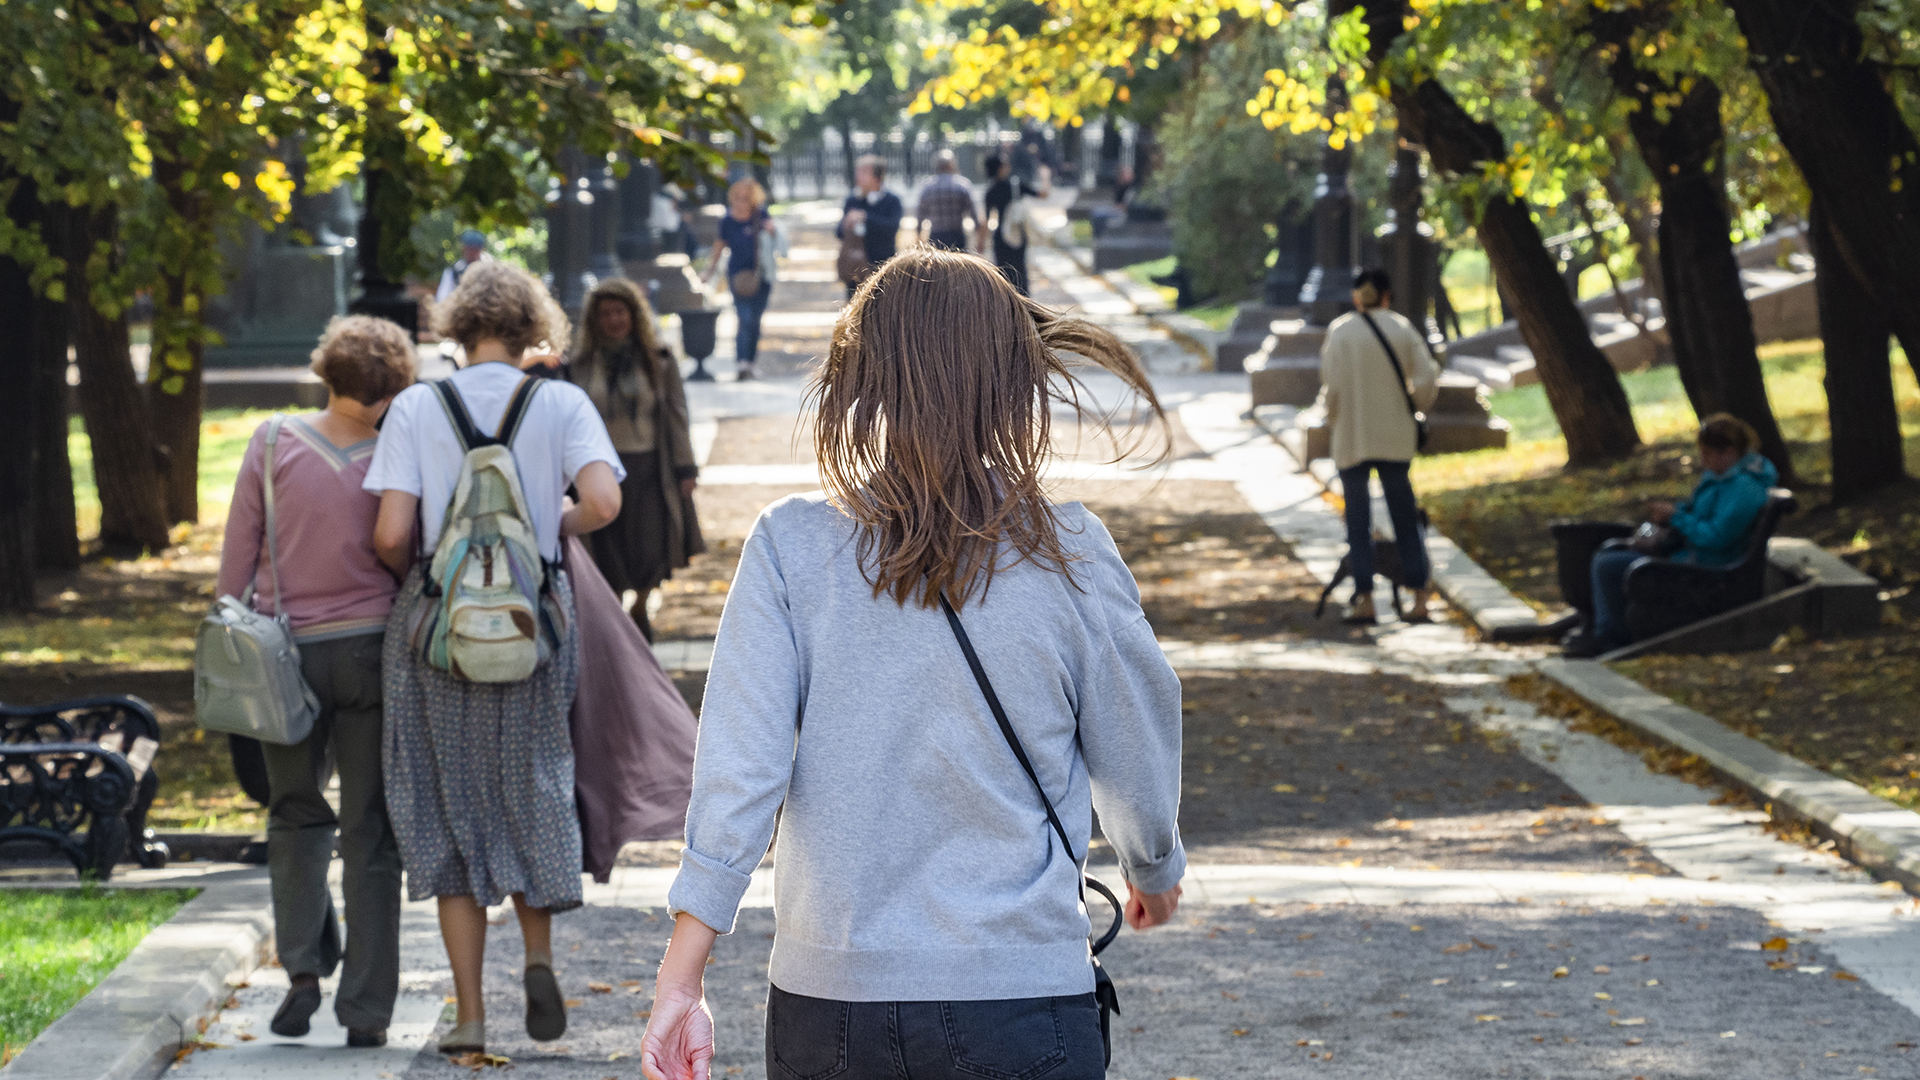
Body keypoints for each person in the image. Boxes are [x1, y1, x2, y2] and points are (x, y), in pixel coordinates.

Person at [639, 251, 1187, 1078]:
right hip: (1021, 993)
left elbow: (738, 772)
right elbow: (1136, 736)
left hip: (832, 997)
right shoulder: (1071, 550)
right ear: (1011, 379)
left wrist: (685, 972)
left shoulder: (792, 546)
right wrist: (1152, 864)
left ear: (861, 380)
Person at [364, 261, 625, 1056]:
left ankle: (471, 1014)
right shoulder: (561, 402)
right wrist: (545, 527)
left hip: (436, 627)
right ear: (530, 325)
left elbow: (387, 533)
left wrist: (421, 577)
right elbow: (606, 503)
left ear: (459, 325)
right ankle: (539, 957)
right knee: (535, 776)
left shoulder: (415, 405)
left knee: (447, 802)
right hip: (534, 615)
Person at [216, 315, 416, 1049]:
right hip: (369, 653)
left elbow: (237, 560)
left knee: (295, 813)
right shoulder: (393, 457)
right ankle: (366, 1007)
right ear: (394, 384)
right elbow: (403, 547)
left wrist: (227, 635)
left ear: (326, 374)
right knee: (370, 830)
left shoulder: (272, 444)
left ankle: (302, 970)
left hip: (282, 660)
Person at [1569, 414, 1778, 657]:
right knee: (1611, 554)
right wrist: (1674, 512)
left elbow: (1715, 538)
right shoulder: (1725, 480)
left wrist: (1676, 518)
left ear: (1729, 452)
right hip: (1695, 558)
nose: (1704, 462)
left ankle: (1610, 638)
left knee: (1609, 565)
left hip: (1709, 569)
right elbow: (1701, 517)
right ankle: (1603, 631)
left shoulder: (1743, 489)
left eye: (1708, 454)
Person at [567, 277, 705, 641]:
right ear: (594, 321)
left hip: (647, 467)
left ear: (633, 314)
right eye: (606, 314)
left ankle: (641, 605)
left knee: (648, 547)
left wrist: (685, 467)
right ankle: (615, 616)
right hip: (599, 471)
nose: (614, 320)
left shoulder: (657, 359)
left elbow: (677, 414)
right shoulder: (578, 365)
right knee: (607, 547)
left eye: (620, 312)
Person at [1315, 267, 1440, 625]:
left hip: (1352, 435)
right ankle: (1419, 597)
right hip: (1395, 434)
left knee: (1357, 519)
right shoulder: (1401, 328)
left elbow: (1332, 387)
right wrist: (1417, 405)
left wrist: (1330, 418)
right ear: (1387, 296)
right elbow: (1428, 375)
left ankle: (1365, 597)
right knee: (1404, 515)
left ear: (1356, 297)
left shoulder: (1340, 333)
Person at [707, 178, 778, 381]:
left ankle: (751, 361)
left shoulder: (761, 216)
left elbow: (776, 243)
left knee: (755, 320)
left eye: (745, 198)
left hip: (761, 276)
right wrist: (709, 271)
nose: (740, 202)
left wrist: (773, 232)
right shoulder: (727, 221)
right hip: (738, 276)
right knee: (744, 317)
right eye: (737, 198)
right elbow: (719, 246)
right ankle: (741, 362)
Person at [980, 154, 1049, 297]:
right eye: (1005, 164)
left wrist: (980, 242)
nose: (1008, 167)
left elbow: (986, 220)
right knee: (1020, 270)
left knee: (1003, 273)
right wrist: (1046, 177)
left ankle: (1007, 305)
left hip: (1001, 236)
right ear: (1000, 169)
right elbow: (1043, 194)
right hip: (1017, 234)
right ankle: (1024, 306)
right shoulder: (1016, 186)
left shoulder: (990, 191)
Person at [836, 154, 904, 296]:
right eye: (858, 171)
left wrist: (866, 218)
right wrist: (848, 222)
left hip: (881, 266)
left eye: (864, 171)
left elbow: (891, 228)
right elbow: (839, 233)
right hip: (855, 268)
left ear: (877, 176)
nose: (858, 176)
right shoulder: (852, 200)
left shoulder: (891, 200)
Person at [914, 149, 980, 252]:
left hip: (936, 237)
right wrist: (980, 240)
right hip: (957, 237)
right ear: (952, 165)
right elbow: (974, 216)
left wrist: (918, 239)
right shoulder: (962, 185)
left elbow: (920, 216)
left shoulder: (928, 188)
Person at [434, 230, 488, 304]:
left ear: (481, 250)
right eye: (469, 249)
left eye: (475, 249)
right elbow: (442, 298)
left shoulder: (487, 271)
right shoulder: (453, 271)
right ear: (463, 249)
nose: (471, 252)